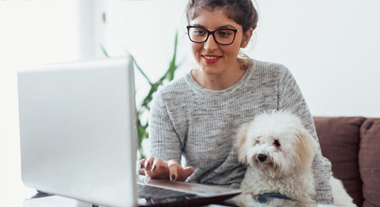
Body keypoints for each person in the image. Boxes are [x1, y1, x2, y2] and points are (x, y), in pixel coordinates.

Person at [139, 0, 334, 204]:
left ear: (246, 37)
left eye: (224, 33)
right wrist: (163, 181)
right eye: (199, 31)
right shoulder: (168, 99)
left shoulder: (277, 80)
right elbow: (162, 190)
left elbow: (314, 163)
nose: (209, 46)